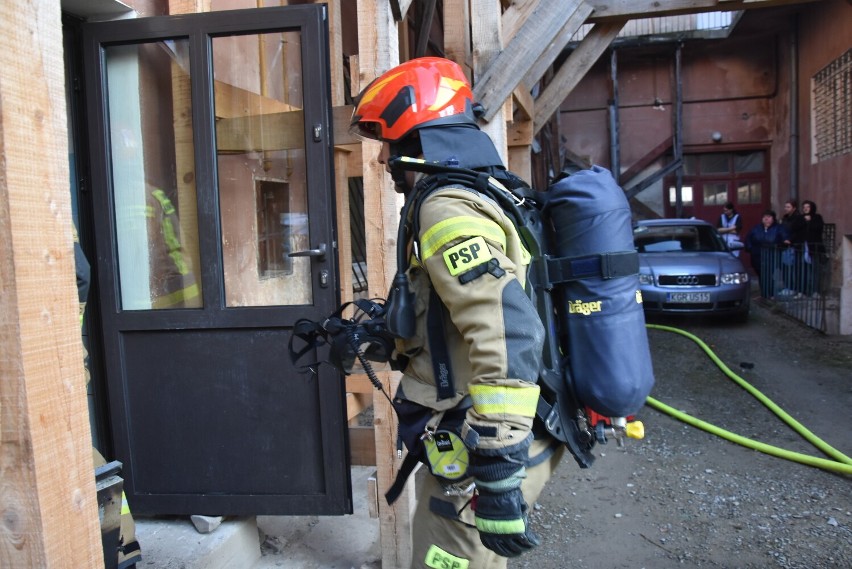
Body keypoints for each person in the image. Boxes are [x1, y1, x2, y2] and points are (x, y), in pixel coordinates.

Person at [350, 57, 563, 568]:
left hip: (484, 436)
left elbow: (506, 327)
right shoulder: (482, 188)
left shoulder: (444, 205)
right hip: (506, 421)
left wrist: (497, 465)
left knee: (448, 559)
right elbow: (459, 308)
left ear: (415, 138)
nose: (383, 162)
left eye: (388, 144)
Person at [744, 210, 787, 298]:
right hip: (757, 256)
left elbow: (785, 239)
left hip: (772, 256)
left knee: (768, 274)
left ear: (773, 218)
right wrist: (751, 249)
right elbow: (748, 239)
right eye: (764, 217)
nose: (766, 219)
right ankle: (764, 294)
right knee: (761, 274)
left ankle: (769, 294)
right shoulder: (756, 229)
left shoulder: (779, 228)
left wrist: (779, 245)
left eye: (769, 217)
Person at [780, 199, 805, 295]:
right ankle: (788, 286)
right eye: (785, 207)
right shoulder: (785, 218)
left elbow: (798, 232)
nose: (786, 209)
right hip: (785, 245)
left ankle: (795, 288)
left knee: (795, 268)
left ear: (794, 208)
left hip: (795, 246)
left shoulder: (798, 218)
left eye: (788, 207)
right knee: (786, 267)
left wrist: (791, 240)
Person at [800, 200, 825, 296]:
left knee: (815, 271)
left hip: (814, 248)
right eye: (804, 207)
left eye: (808, 207)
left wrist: (809, 221)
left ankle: (815, 290)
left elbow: (818, 228)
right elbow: (795, 228)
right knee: (804, 271)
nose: (805, 209)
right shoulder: (800, 218)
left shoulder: (817, 217)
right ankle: (804, 290)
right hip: (803, 247)